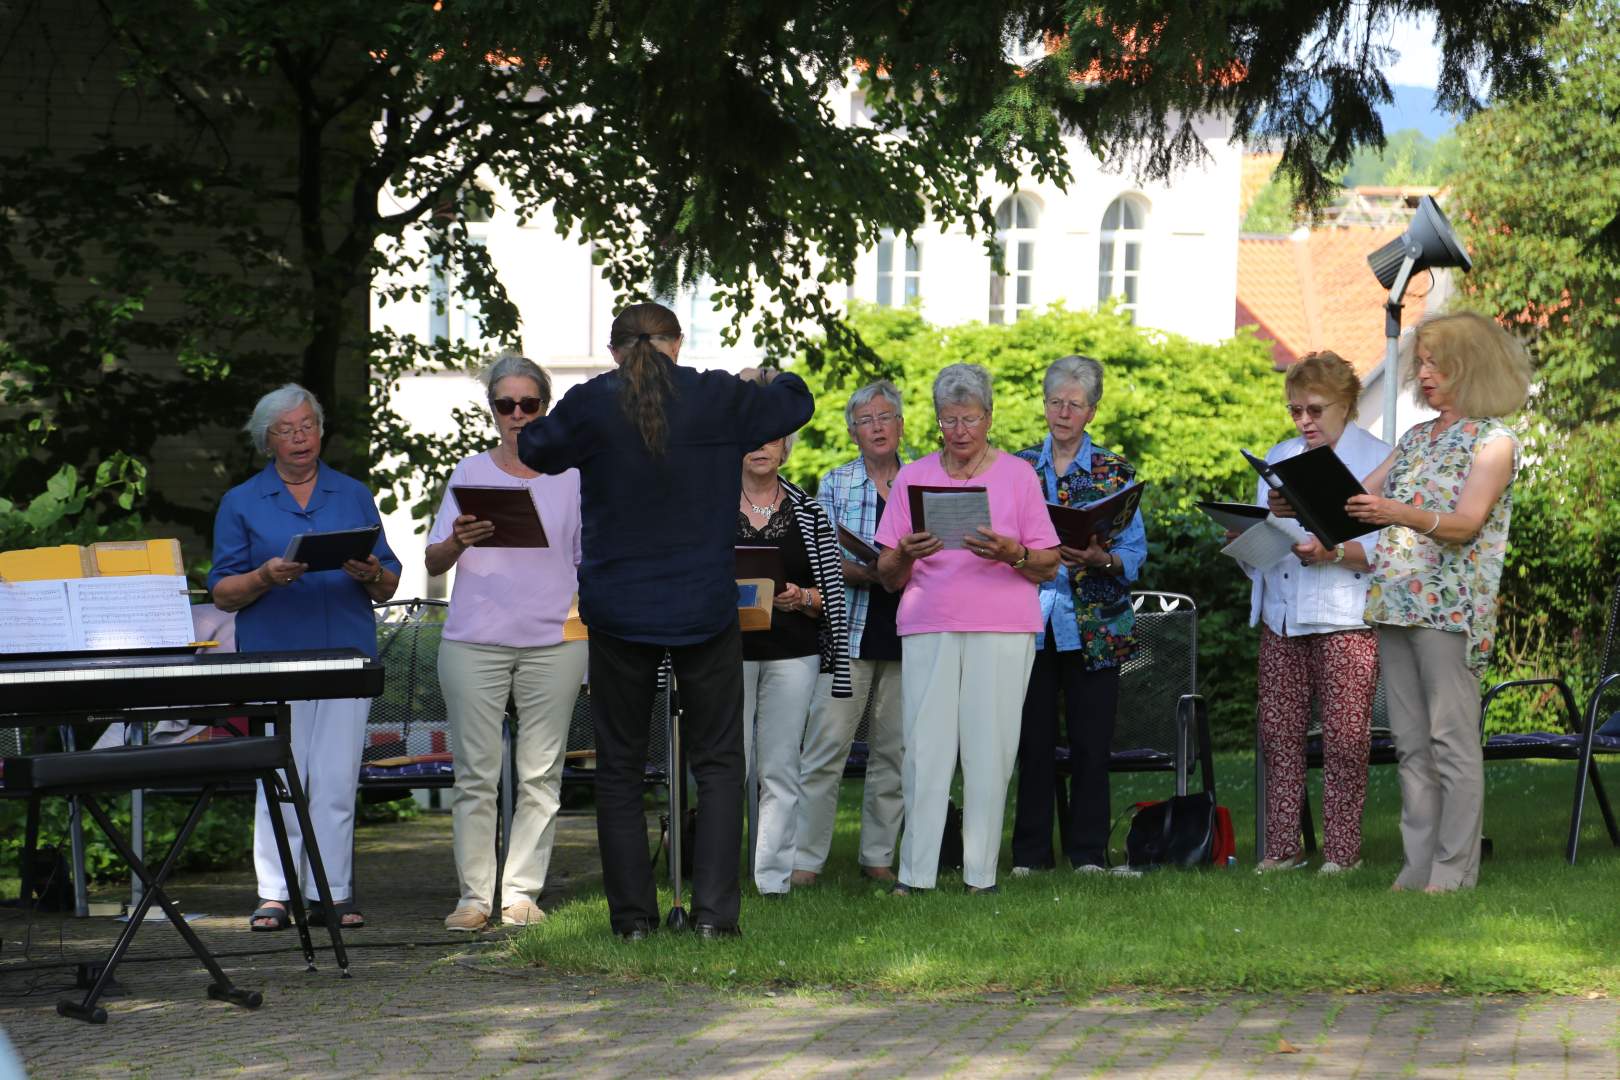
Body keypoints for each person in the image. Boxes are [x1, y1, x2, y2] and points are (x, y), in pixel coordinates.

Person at [517, 301, 815, 939]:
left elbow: (537, 447)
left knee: (621, 767)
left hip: (620, 610)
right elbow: (795, 400)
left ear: (617, 350)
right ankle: (713, 918)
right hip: (705, 609)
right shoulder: (713, 396)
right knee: (718, 764)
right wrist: (761, 379)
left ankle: (632, 920)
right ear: (677, 344)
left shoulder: (593, 402)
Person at [1344, 311, 1530, 892]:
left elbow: (1466, 524)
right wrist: (1293, 503)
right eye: (1420, 362)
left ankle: (1454, 871)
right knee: (1410, 746)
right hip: (1395, 604)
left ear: (1469, 368)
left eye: (1437, 363)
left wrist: (1397, 513)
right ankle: (1417, 866)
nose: (1424, 373)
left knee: (1451, 742)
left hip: (1450, 611)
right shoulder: (1416, 438)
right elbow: (1353, 499)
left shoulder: (1495, 442)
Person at [210, 383, 401, 931]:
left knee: (336, 777)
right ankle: (276, 892)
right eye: (286, 430)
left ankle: (332, 892)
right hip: (275, 656)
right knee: (279, 773)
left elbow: (388, 581)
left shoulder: (352, 494)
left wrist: (371, 574)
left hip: (345, 653)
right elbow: (223, 590)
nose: (300, 438)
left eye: (308, 426)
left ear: (321, 431)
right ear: (266, 441)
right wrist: (265, 576)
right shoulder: (241, 501)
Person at [874, 363, 1060, 895]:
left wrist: (1013, 552)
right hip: (929, 622)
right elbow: (887, 574)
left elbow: (1048, 564)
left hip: (1002, 627)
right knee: (925, 749)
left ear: (989, 417)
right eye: (948, 420)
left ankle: (981, 874)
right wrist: (904, 554)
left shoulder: (1018, 476)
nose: (958, 431)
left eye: (969, 419)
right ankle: (916, 874)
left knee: (991, 749)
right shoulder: (913, 477)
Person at [425, 354, 589, 932]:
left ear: (545, 407)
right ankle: (474, 897)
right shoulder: (468, 473)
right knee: (475, 774)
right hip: (475, 640)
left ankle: (520, 893)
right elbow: (434, 558)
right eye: (505, 404)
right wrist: (459, 541)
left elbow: (587, 559)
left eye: (529, 404)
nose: (517, 415)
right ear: (492, 410)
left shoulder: (573, 476)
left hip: (556, 640)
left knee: (540, 775)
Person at [1246, 352, 1390, 874]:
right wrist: (1248, 535)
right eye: (1295, 411)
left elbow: (1389, 553)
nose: (1304, 421)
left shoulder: (1377, 458)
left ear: (1346, 404)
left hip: (1345, 619)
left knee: (1346, 741)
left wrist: (1334, 551)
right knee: (1279, 734)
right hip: (1282, 615)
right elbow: (1267, 542)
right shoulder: (1278, 456)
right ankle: (1283, 849)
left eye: (1314, 409)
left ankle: (1343, 854)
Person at [1010, 355, 1148, 875]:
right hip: (1029, 622)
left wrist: (1100, 559)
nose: (1062, 412)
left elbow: (1134, 555)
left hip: (1097, 625)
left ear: (1092, 411)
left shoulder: (1117, 473)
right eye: (1054, 402)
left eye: (1074, 404)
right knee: (1032, 743)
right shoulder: (1017, 468)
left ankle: (1088, 854)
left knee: (1092, 745)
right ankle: (1030, 855)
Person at [794, 380, 907, 886]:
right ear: (852, 432)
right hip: (850, 634)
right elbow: (820, 561)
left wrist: (902, 569)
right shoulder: (835, 484)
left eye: (885, 417)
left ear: (901, 425)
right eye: (866, 421)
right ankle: (804, 862)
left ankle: (877, 857)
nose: (877, 427)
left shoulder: (922, 481)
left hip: (909, 634)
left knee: (894, 754)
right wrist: (874, 572)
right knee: (825, 751)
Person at [736, 433, 849, 896]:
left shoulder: (810, 510)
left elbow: (832, 596)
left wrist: (800, 597)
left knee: (780, 768)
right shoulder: (709, 503)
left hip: (793, 653)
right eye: (752, 437)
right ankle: (719, 875)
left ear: (786, 448)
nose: (761, 446)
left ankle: (772, 881)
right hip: (726, 653)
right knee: (727, 765)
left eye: (773, 439)